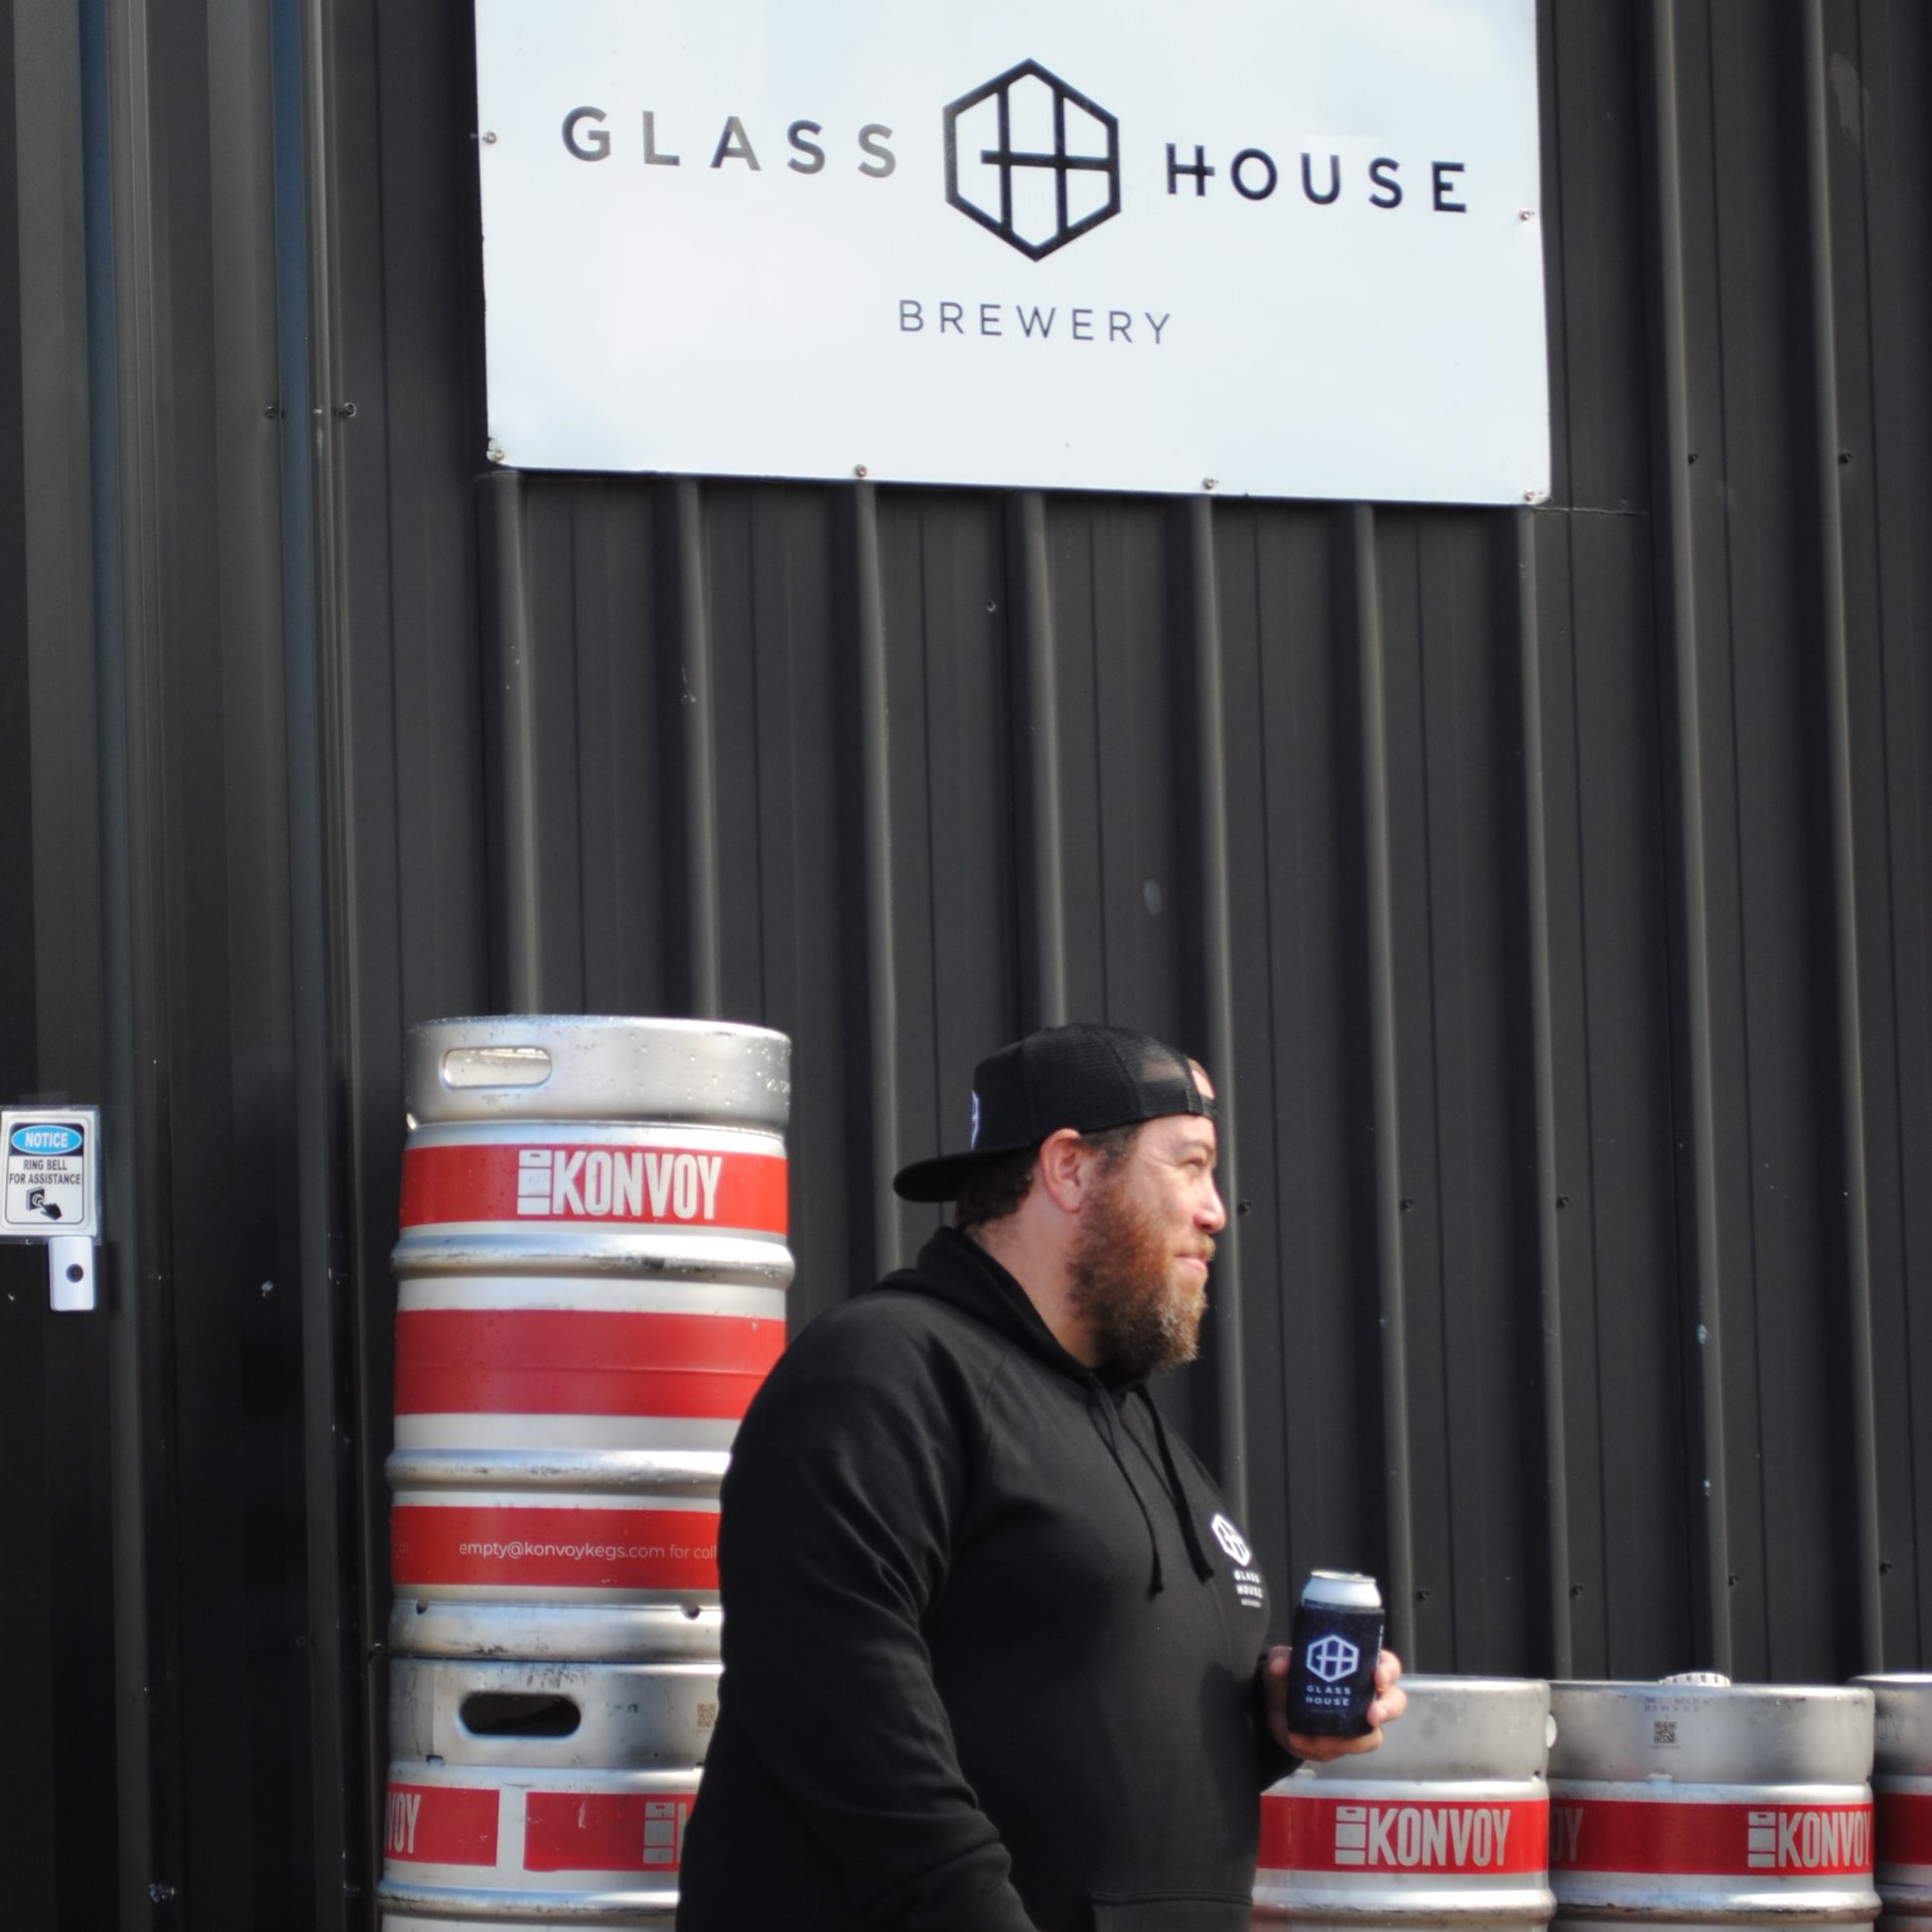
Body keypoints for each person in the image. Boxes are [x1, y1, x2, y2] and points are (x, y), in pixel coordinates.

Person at [678, 1023, 1405, 1932]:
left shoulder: (1133, 1426)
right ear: (1069, 1168)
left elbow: (1069, 1718)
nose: (1216, 1211)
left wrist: (1263, 1724)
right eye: (1190, 1166)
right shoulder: (884, 1371)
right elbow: (836, 1712)